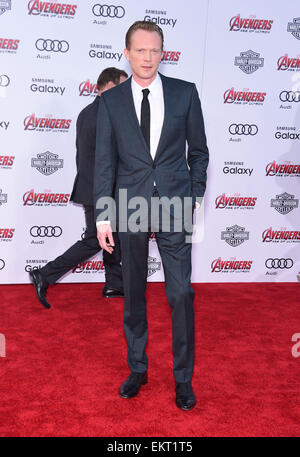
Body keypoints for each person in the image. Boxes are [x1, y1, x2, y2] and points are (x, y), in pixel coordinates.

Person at [94, 22, 209, 410]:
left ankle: (182, 379)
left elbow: (199, 152)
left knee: (180, 293)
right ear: (127, 53)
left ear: (163, 53)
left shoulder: (184, 94)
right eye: (140, 51)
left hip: (174, 204)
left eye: (154, 50)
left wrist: (194, 194)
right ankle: (138, 368)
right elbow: (105, 164)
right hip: (130, 206)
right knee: (135, 295)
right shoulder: (111, 103)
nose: (147, 58)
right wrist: (103, 217)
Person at [30, 67, 128, 309]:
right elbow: (112, 158)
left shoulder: (87, 112)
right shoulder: (107, 114)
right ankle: (45, 274)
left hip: (92, 186)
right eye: (123, 87)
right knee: (98, 239)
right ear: (110, 86)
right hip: (100, 188)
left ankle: (114, 285)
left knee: (111, 237)